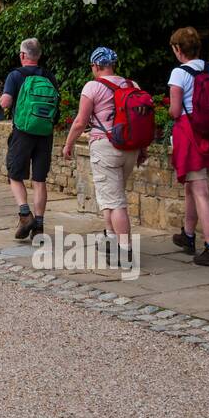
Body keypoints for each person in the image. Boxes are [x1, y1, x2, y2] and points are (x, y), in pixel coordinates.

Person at [62, 47, 147, 264]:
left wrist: (68, 144)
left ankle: (125, 250)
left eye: (92, 66)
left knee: (116, 201)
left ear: (97, 65)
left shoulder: (93, 87)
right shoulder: (132, 85)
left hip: (105, 147)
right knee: (110, 196)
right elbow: (140, 122)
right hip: (130, 148)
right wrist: (142, 149)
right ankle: (110, 239)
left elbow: (81, 121)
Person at [168, 26, 209, 268]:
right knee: (192, 187)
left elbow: (174, 111)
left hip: (190, 133)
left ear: (178, 49)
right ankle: (188, 235)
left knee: (201, 190)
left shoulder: (178, 73)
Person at [0, 38, 60, 241]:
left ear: (23, 55)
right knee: (39, 180)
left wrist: (2, 100)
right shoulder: (48, 76)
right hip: (45, 133)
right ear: (39, 55)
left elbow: (6, 102)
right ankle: (39, 226)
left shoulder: (15, 75)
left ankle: (25, 215)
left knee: (14, 174)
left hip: (23, 132)